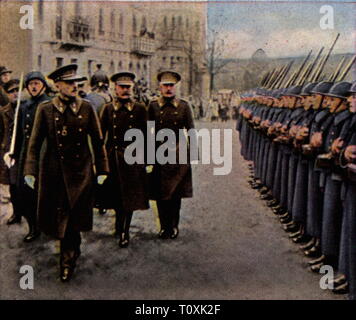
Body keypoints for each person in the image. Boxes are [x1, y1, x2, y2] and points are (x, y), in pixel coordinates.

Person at [23, 64, 109, 282]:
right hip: (55, 172)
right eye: (70, 83)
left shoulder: (87, 108)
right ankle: (69, 254)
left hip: (81, 172)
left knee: (73, 218)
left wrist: (102, 168)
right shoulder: (46, 109)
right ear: (58, 85)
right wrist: (30, 171)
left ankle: (68, 259)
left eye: (77, 82)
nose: (75, 86)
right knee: (61, 217)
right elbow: (34, 143)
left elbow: (98, 142)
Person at [99, 72, 149, 247]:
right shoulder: (108, 109)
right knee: (115, 196)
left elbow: (146, 136)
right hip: (113, 158)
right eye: (122, 87)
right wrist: (100, 161)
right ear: (115, 88)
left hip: (132, 159)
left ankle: (124, 231)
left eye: (128, 87)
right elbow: (100, 136)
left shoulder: (140, 109)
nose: (125, 91)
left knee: (129, 198)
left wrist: (148, 160)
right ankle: (119, 226)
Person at [147, 71, 196, 239]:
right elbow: (148, 132)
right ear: (159, 87)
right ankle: (163, 226)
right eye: (165, 85)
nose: (168, 89)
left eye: (171, 85)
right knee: (161, 194)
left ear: (176, 87)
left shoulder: (183, 106)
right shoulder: (153, 106)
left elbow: (191, 131)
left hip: (178, 155)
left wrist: (191, 155)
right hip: (159, 154)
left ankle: (174, 225)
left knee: (176, 194)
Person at [5, 72, 50, 243]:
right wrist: (15, 153)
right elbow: (19, 135)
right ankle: (33, 227)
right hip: (27, 155)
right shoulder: (24, 107)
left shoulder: (49, 104)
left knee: (46, 193)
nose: (33, 87)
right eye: (31, 84)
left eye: (37, 83)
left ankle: (48, 225)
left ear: (44, 86)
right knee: (26, 193)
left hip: (45, 154)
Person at [0, 79, 21, 225]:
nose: (15, 94)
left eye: (17, 90)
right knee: (13, 185)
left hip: (24, 151)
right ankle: (17, 213)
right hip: (9, 153)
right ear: (6, 94)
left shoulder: (26, 109)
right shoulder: (3, 112)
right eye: (11, 91)